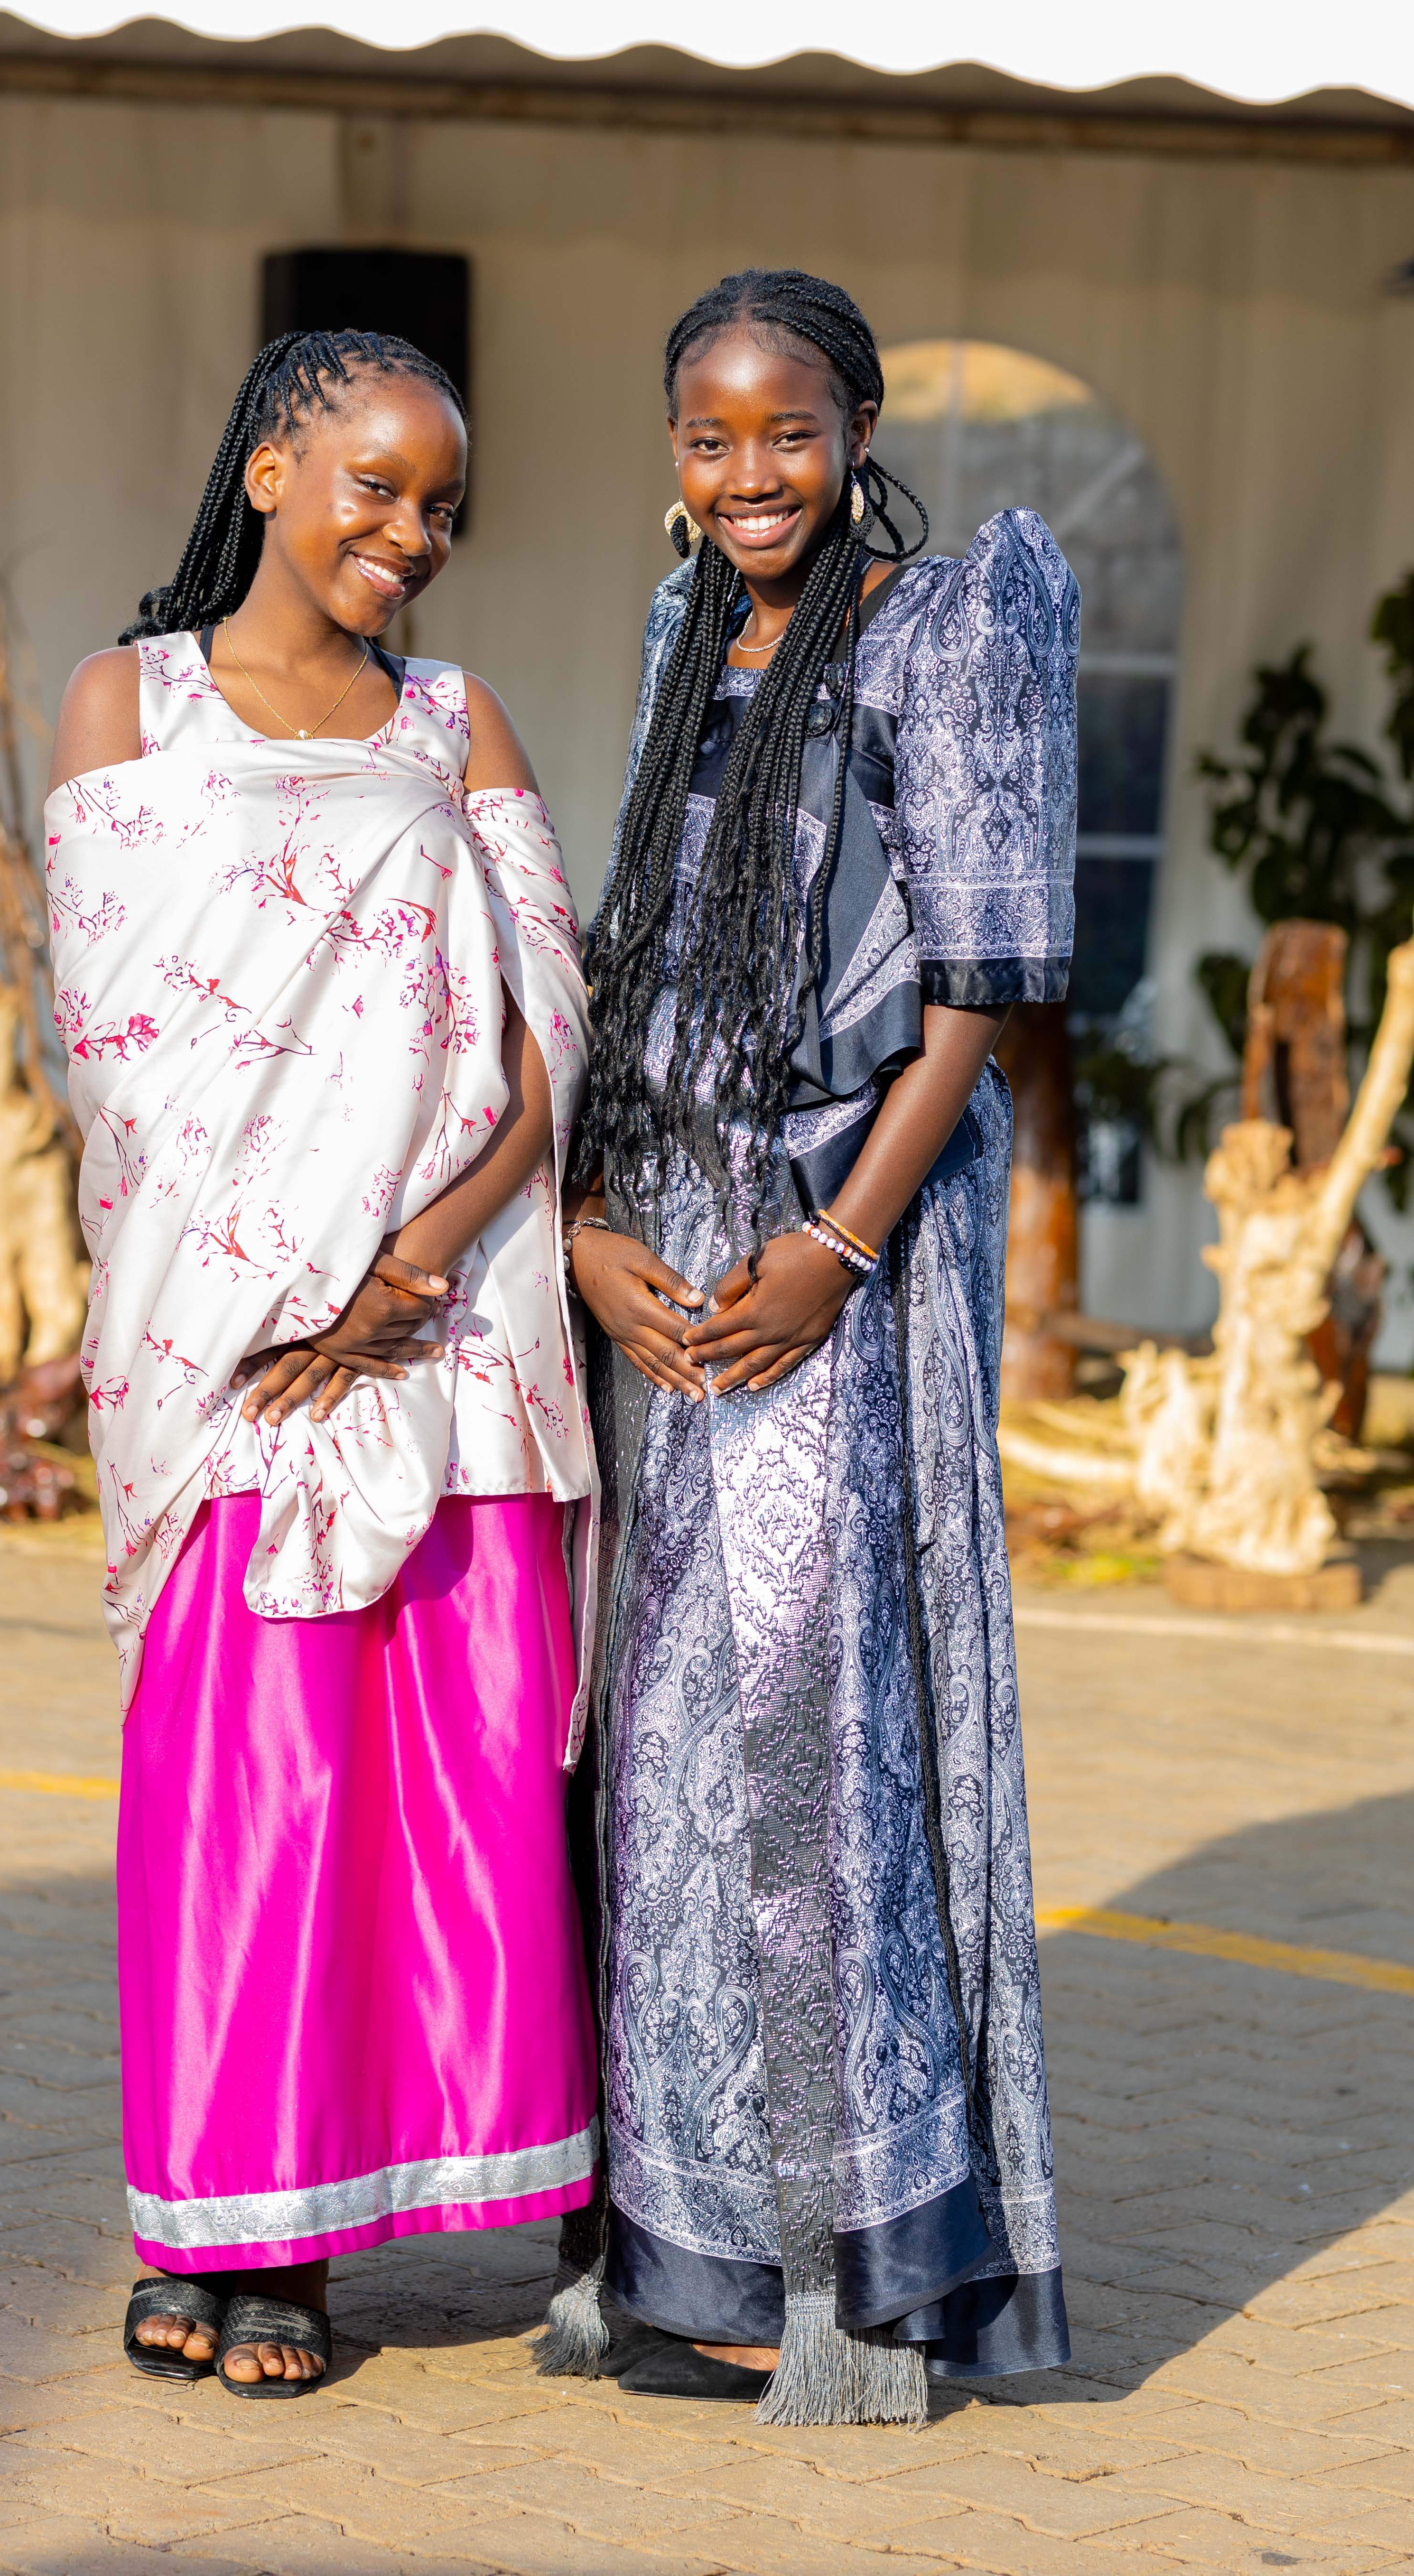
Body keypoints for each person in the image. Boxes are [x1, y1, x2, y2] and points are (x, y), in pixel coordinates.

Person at [537, 268, 1075, 2427]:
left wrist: (834, 1252)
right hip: (666, 1247)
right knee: (662, 1738)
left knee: (810, 1720)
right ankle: (683, 2247)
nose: (747, 471)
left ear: (855, 428)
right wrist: (591, 1224)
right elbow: (643, 951)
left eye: (785, 430)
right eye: (708, 436)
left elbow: (972, 998)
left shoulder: (949, 628)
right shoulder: (688, 629)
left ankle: (845, 2270)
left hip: (832, 1248)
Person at [46, 329, 597, 2399]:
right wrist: (280, 1281)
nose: (412, 533)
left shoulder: (458, 726)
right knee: (240, 1806)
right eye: (376, 484)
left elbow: (548, 1040)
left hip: (438, 1347)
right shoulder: (126, 702)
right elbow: (121, 1050)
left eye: (442, 505)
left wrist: (413, 1260)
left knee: (432, 1808)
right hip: (224, 1348)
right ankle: (221, 2226)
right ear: (273, 467)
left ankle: (311, 2256)